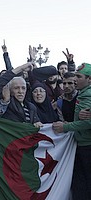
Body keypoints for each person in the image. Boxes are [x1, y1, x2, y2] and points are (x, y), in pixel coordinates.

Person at [52, 63, 91, 199]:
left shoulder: (87, 95)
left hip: (87, 145)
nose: (75, 80)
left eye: (78, 77)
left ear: (89, 79)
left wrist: (66, 127)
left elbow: (87, 122)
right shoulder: (83, 93)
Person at [0, 62, 42, 128]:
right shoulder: (7, 105)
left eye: (23, 88)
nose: (20, 91)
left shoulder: (31, 107)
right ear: (10, 90)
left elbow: (36, 122)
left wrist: (37, 123)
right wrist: (21, 68)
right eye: (16, 88)